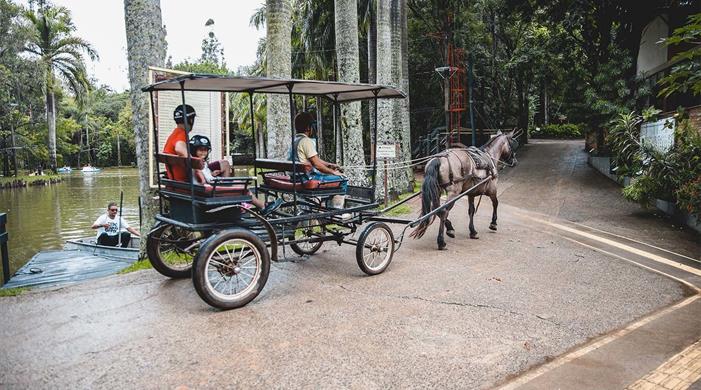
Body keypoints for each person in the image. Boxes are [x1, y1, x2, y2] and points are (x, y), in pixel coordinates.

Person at [189, 134, 281, 214]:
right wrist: (213, 179)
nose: (203, 152)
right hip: (210, 190)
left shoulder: (196, 162)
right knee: (244, 188)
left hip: (207, 187)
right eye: (200, 150)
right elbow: (203, 179)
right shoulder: (197, 164)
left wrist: (212, 174)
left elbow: (204, 176)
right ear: (194, 150)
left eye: (205, 150)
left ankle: (250, 204)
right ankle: (263, 206)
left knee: (239, 182)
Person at [290, 111, 349, 217]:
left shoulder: (296, 140)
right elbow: (317, 165)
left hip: (296, 177)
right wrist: (334, 172)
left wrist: (330, 165)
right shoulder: (306, 141)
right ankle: (337, 212)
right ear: (308, 127)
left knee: (333, 176)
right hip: (306, 178)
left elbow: (315, 159)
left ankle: (325, 208)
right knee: (343, 180)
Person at [163, 104, 231, 181]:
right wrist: (196, 164)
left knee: (224, 163)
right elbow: (179, 148)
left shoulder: (174, 135)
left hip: (179, 179)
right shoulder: (181, 134)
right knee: (225, 165)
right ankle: (226, 189)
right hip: (188, 181)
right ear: (191, 120)